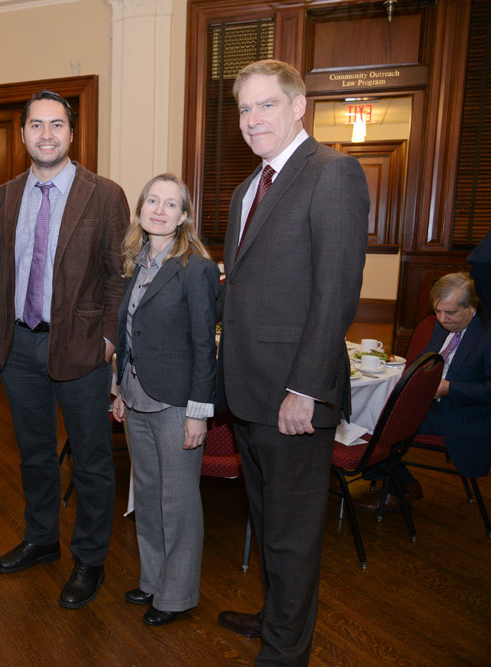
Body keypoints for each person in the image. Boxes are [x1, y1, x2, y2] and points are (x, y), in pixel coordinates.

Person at [215, 60, 368, 666]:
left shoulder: (333, 173)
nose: (253, 120)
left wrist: (306, 389)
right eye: (245, 109)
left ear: (299, 105)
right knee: (266, 520)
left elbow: (336, 293)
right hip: (248, 392)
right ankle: (275, 617)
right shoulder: (245, 189)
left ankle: (286, 653)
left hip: (294, 398)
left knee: (293, 535)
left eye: (266, 106)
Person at [0, 90, 129, 608]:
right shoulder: (2, 197)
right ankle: (42, 540)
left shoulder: (105, 194)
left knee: (91, 460)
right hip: (20, 346)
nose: (47, 134)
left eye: (57, 125)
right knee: (35, 456)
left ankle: (89, 558)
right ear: (22, 134)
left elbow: (119, 275)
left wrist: (110, 338)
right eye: (37, 125)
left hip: (84, 348)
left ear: (72, 133)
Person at [111, 174, 219, 627]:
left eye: (170, 204)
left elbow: (203, 344)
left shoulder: (195, 267)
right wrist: (118, 387)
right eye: (152, 201)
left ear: (184, 216)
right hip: (136, 396)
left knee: (178, 503)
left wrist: (198, 411)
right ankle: (153, 580)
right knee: (149, 495)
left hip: (176, 403)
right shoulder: (137, 261)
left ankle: (176, 596)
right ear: (140, 209)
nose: (159, 209)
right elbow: (128, 334)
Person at [357, 272, 491, 511]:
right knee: (364, 410)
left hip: (463, 414)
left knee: (383, 425)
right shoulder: (443, 325)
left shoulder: (486, 335)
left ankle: (396, 489)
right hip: (428, 402)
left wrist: (452, 389)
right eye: (437, 311)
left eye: (449, 313)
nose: (442, 319)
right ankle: (403, 483)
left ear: (472, 307)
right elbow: (425, 361)